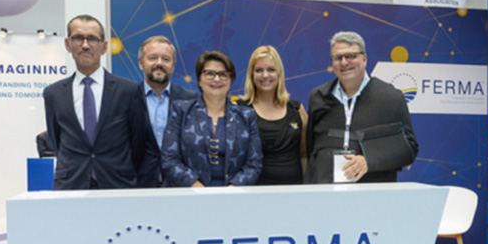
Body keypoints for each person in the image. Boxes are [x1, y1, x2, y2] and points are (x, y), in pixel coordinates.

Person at [43, 14, 156, 189]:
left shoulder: (129, 91)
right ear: (67, 44)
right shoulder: (53, 94)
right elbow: (56, 140)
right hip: (71, 186)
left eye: (93, 39)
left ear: (104, 47)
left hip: (117, 186)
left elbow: (139, 144)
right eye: (78, 38)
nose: (85, 45)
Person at [304, 31, 419, 184]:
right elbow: (312, 147)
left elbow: (408, 149)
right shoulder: (318, 96)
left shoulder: (391, 97)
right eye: (338, 58)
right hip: (324, 192)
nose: (344, 62)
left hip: (372, 194)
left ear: (364, 59)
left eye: (351, 56)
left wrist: (369, 160)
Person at [161, 51, 263, 187]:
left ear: (230, 80)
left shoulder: (246, 116)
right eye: (210, 73)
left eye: (223, 74)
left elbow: (254, 163)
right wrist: (197, 187)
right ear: (199, 79)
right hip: (189, 198)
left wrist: (232, 190)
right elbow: (169, 159)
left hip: (233, 199)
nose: (216, 79)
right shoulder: (181, 111)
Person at [238, 45, 307, 185]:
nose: (265, 75)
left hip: (294, 191)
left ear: (279, 73)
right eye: (259, 70)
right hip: (252, 192)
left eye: (271, 69)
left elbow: (304, 155)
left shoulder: (297, 109)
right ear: (251, 75)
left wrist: (307, 189)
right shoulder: (240, 110)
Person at [137, 35, 197, 186]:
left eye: (165, 59)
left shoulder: (190, 99)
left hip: (180, 186)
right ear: (141, 63)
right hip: (138, 186)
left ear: (173, 65)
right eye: (152, 58)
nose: (159, 63)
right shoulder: (126, 97)